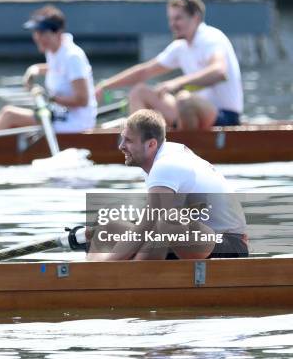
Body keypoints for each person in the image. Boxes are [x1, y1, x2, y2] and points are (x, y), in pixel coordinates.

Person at [87, 109, 248, 261]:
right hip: (195, 240)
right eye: (123, 138)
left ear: (151, 144)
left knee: (165, 221)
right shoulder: (160, 158)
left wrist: (111, 261)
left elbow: (149, 224)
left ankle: (124, 272)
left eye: (128, 140)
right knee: (107, 230)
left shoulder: (166, 165)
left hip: (229, 245)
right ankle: (89, 277)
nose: (121, 146)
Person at [95, 0, 243, 130]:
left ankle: (186, 151)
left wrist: (177, 83)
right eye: (170, 19)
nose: (172, 24)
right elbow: (144, 71)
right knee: (139, 92)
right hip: (193, 115)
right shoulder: (181, 46)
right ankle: (141, 148)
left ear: (196, 17)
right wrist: (105, 85)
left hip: (225, 116)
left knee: (184, 100)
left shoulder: (211, 38)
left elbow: (219, 72)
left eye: (178, 18)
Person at [0, 5, 97, 133]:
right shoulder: (54, 50)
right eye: (35, 32)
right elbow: (57, 69)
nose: (37, 37)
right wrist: (34, 69)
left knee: (9, 114)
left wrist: (50, 98)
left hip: (76, 123)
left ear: (58, 33)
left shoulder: (72, 57)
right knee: (1, 122)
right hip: (60, 114)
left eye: (42, 32)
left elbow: (82, 100)